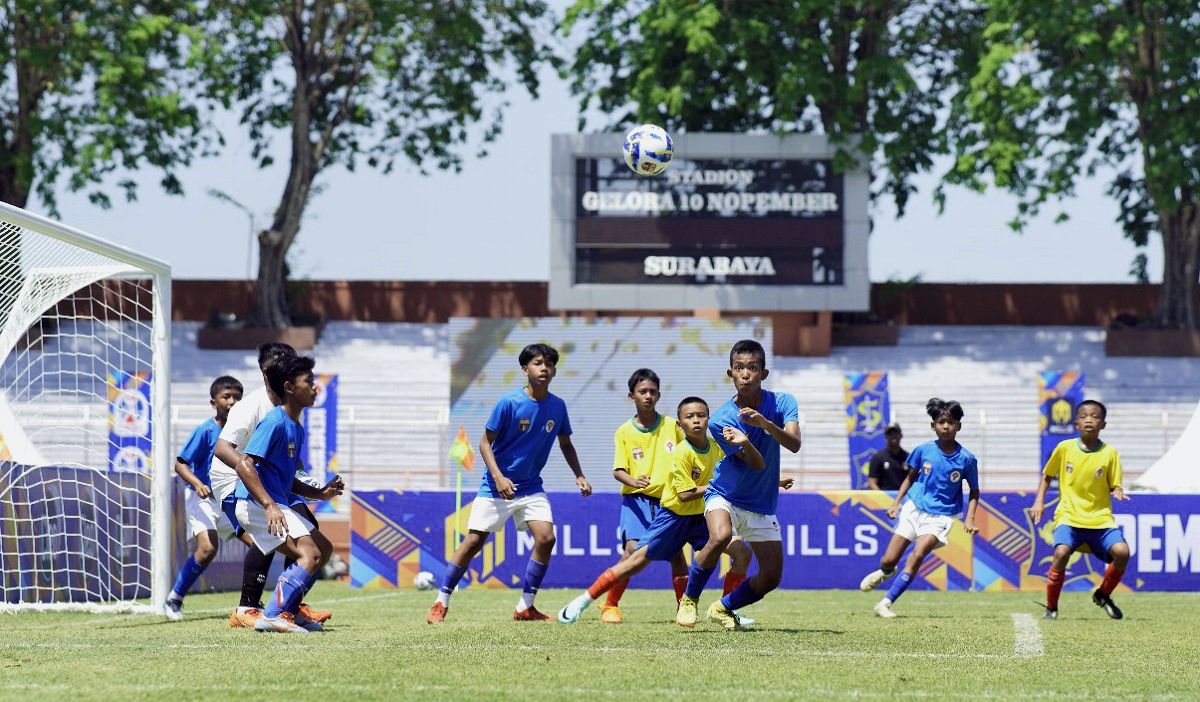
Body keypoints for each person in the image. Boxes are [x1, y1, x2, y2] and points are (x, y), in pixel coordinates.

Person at [557, 396, 763, 624]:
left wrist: (771, 481)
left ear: (708, 419)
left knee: (742, 553)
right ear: (680, 423)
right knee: (635, 560)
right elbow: (685, 495)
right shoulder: (681, 452)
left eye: (701, 415)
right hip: (674, 518)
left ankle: (726, 610)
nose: (696, 420)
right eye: (689, 416)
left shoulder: (717, 448)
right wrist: (720, 486)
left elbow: (740, 473)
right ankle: (584, 600)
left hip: (702, 517)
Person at [426, 343, 592, 623]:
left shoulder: (558, 406)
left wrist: (579, 474)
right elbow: (484, 443)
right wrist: (499, 477)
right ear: (525, 369)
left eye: (549, 364)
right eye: (538, 363)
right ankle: (440, 602)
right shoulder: (508, 403)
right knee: (474, 542)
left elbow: (566, 443)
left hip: (530, 486)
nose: (544, 368)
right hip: (496, 486)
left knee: (546, 538)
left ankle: (525, 606)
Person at [675, 339, 801, 631]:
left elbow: (794, 444)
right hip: (725, 495)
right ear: (730, 374)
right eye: (739, 368)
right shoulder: (720, 420)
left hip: (760, 502)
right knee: (720, 537)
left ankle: (723, 606)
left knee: (771, 577)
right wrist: (746, 440)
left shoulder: (783, 403)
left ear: (764, 373)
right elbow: (755, 464)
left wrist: (765, 425)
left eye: (753, 368)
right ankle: (689, 599)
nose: (746, 374)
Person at [213, 343, 331, 629]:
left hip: (267, 483)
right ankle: (251, 607)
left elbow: (286, 465)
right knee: (273, 534)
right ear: (273, 375)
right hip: (232, 481)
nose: (313, 386)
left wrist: (318, 491)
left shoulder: (291, 416)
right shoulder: (255, 407)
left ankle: (287, 607)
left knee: (318, 545)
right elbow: (223, 449)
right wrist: (267, 502)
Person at [859, 398, 980, 618]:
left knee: (918, 554)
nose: (946, 426)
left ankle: (885, 603)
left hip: (941, 516)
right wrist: (897, 503)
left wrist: (970, 519)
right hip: (913, 508)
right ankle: (886, 572)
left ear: (959, 426)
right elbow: (910, 477)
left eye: (951, 422)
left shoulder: (967, 459)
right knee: (888, 560)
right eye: (941, 422)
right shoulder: (923, 450)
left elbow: (974, 491)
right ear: (932, 425)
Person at [601, 368, 690, 624]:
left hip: (668, 502)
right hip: (636, 502)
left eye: (652, 391)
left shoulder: (673, 426)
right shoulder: (624, 432)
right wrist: (634, 481)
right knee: (631, 552)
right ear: (632, 396)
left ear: (659, 395)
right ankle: (610, 605)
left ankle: (683, 609)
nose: (648, 396)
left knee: (676, 555)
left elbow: (691, 449)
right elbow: (619, 470)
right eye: (642, 392)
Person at [1031, 400, 1130, 620]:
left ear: (1103, 424)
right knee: (1061, 552)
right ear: (1076, 422)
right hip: (1069, 516)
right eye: (1084, 415)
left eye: (1095, 416)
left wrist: (1118, 490)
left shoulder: (1110, 453)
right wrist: (1038, 502)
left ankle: (1103, 594)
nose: (1089, 419)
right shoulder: (1065, 448)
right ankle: (1052, 608)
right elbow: (1047, 475)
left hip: (1100, 520)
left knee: (1122, 553)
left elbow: (1115, 482)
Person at [163, 375, 244, 620]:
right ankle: (174, 598)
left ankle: (253, 603)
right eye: (226, 397)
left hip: (230, 498)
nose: (232, 402)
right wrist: (198, 484)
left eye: (237, 398)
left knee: (262, 543)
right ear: (214, 402)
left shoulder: (243, 432)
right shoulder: (205, 430)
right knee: (208, 548)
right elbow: (180, 464)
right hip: (203, 499)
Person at [866, 423, 908, 491]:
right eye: (890, 434)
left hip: (903, 499)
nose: (893, 436)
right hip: (884, 499)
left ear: (901, 435)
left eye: (895, 433)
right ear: (885, 437)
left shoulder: (908, 458)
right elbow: (872, 483)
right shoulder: (877, 458)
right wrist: (884, 498)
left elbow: (913, 481)